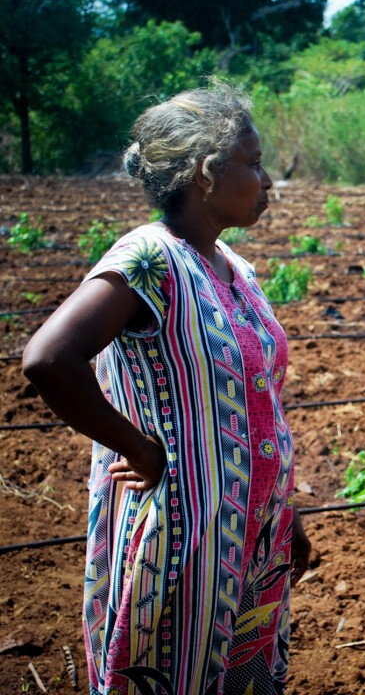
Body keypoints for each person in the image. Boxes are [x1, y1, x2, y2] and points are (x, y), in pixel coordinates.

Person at [22, 85, 312, 695]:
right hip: (185, 533)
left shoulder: (232, 264)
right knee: (176, 673)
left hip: (251, 533)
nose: (267, 181)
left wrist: (285, 515)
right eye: (254, 163)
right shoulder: (150, 258)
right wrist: (141, 449)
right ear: (207, 175)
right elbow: (49, 359)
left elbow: (256, 403)